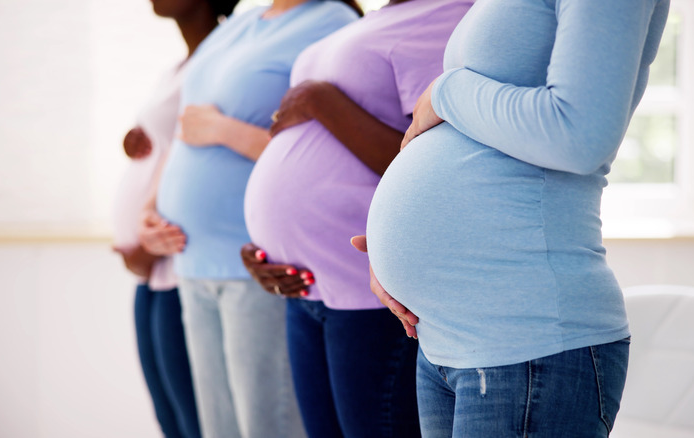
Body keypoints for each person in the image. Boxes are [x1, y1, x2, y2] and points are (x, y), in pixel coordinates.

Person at [359, 0, 671, 436]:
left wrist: (445, 92)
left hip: (526, 342)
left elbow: (579, 136)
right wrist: (395, 248)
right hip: (444, 343)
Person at [240, 1, 472, 436]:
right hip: (306, 288)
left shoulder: (452, 13)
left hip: (369, 293)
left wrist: (318, 99)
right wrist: (269, 238)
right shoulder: (380, 18)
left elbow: (436, 163)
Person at [144, 1, 360, 437]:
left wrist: (225, 130)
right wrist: (150, 209)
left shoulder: (332, 21)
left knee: (268, 427)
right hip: (192, 261)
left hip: (255, 266)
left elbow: (332, 149)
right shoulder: (242, 23)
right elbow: (187, 126)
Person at [111, 1, 229, 436]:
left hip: (179, 261)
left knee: (193, 421)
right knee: (170, 419)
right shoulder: (181, 64)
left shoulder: (225, 56)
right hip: (151, 266)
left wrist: (145, 245)